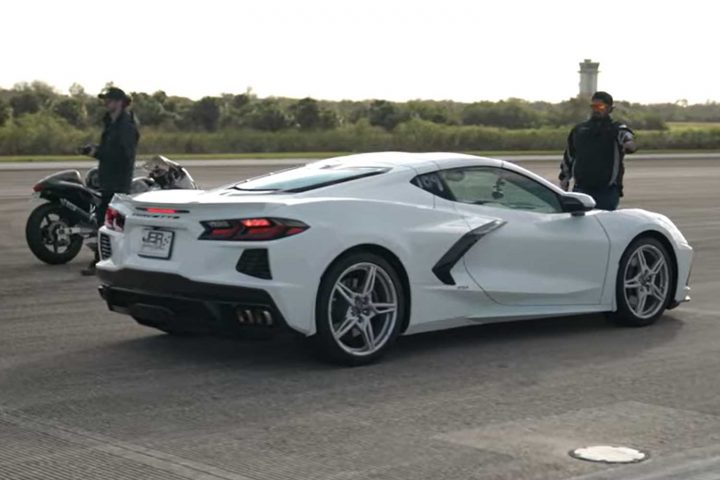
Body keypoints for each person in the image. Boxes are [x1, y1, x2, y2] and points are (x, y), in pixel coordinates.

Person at [81, 87, 139, 275]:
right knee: (104, 222)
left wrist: (97, 153)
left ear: (121, 102)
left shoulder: (126, 126)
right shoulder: (111, 123)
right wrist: (95, 149)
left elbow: (124, 155)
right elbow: (111, 149)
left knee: (109, 224)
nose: (106, 103)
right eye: (106, 99)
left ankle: (104, 262)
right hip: (108, 180)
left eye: (110, 100)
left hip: (118, 182)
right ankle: (104, 260)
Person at [559, 91, 636, 210]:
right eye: (593, 106)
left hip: (607, 191)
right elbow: (569, 156)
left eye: (600, 106)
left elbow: (626, 136)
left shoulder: (616, 129)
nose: (596, 110)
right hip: (581, 189)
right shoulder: (579, 130)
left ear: (610, 108)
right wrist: (564, 179)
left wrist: (629, 143)